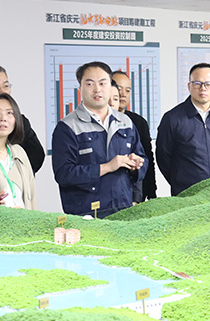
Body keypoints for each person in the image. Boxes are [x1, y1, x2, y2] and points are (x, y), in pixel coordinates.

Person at [52, 62, 146, 218]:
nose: (97, 89)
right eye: (90, 84)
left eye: (103, 83)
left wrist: (135, 165)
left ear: (111, 87)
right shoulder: (68, 127)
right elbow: (64, 174)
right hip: (86, 215)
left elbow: (142, 159)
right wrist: (107, 167)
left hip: (123, 210)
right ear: (80, 88)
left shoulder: (125, 122)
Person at [157, 63, 210, 196]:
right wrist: (179, 181)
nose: (203, 88)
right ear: (189, 86)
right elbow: (163, 157)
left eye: (208, 84)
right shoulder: (172, 118)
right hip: (188, 193)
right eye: (197, 83)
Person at [112, 70, 157, 201]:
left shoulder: (138, 122)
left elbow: (148, 159)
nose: (123, 94)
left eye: (128, 90)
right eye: (119, 89)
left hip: (136, 193)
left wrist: (151, 192)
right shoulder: (100, 122)